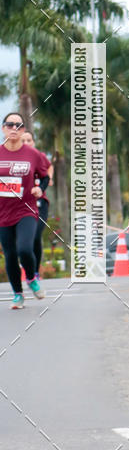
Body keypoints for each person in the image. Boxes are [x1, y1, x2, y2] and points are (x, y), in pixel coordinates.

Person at [0, 113, 49, 308]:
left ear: (23, 130)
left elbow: (44, 176)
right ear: (3, 128)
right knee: (10, 254)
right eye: (9, 125)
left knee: (24, 249)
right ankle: (18, 294)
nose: (13, 128)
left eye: (18, 126)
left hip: (26, 210)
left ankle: (31, 278)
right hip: (2, 213)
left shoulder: (32, 154)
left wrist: (40, 188)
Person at [22, 130, 53, 278]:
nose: (26, 143)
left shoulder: (39, 156)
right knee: (24, 240)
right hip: (21, 205)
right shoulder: (15, 159)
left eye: (29, 140)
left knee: (35, 236)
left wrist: (47, 181)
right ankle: (28, 267)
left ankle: (35, 271)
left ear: (33, 142)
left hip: (40, 204)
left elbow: (49, 167)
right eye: (23, 141)